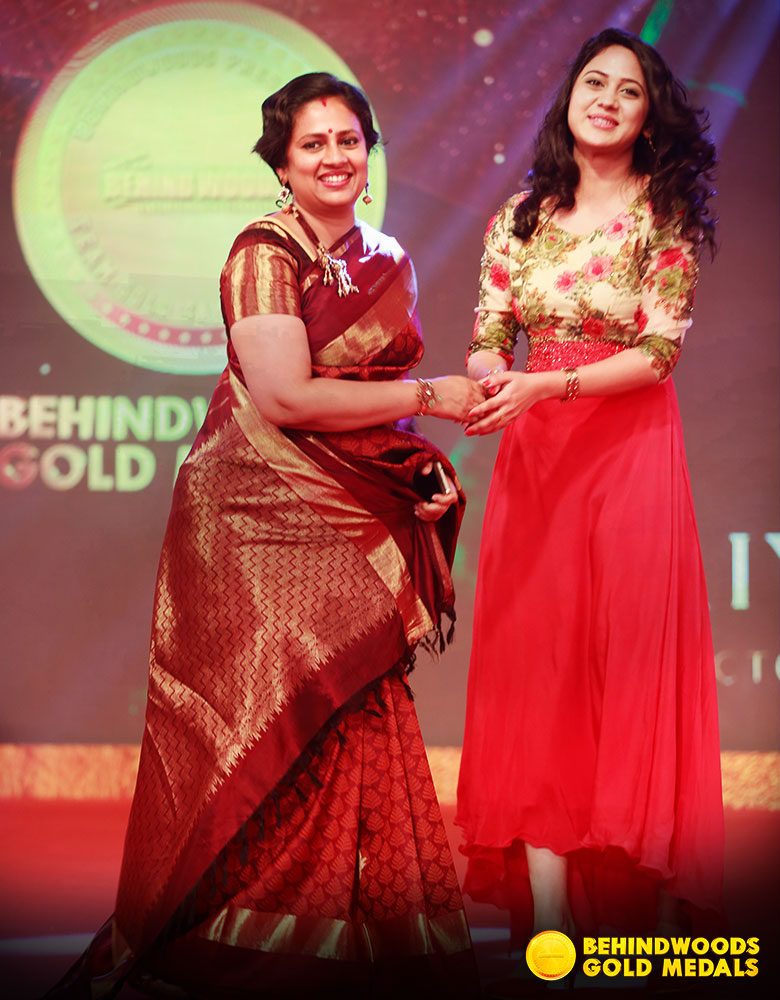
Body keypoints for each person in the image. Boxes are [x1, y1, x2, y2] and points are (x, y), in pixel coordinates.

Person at [47, 72, 483, 999]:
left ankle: (352, 943)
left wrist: (415, 470)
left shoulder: (389, 258)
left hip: (352, 520)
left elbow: (375, 413)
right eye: (312, 144)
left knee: (357, 705)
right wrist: (430, 398)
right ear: (281, 165)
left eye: (349, 139)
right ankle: (236, 954)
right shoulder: (262, 252)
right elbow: (285, 397)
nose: (334, 157)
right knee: (266, 726)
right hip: (253, 522)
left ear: (370, 152)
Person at [455, 27, 724, 949]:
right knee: (540, 674)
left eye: (630, 91)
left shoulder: (664, 212)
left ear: (650, 118)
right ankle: (549, 921)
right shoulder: (520, 216)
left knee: (631, 668)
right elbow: (489, 331)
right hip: (538, 461)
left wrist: (546, 385)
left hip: (629, 450)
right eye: (594, 82)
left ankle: (649, 909)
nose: (607, 99)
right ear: (569, 96)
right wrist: (494, 374)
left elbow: (658, 353)